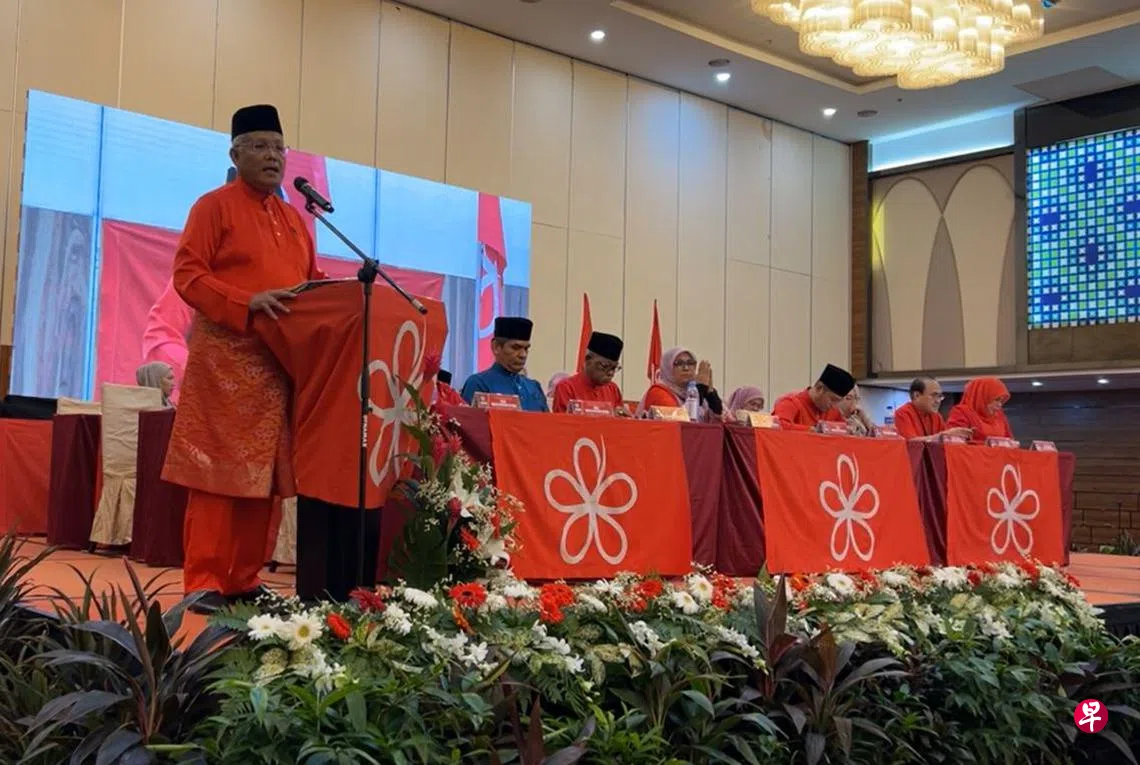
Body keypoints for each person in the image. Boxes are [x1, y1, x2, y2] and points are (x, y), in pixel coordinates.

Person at [162, 104, 325, 614]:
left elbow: (313, 286)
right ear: (235, 154)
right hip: (225, 366)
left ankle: (244, 578)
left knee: (265, 479)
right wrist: (244, 302)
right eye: (259, 146)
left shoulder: (294, 220)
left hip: (278, 368)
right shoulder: (213, 207)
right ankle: (204, 582)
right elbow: (187, 274)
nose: (272, 156)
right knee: (219, 477)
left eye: (279, 148)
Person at [460, 317, 548, 412]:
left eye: (526, 349)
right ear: (496, 347)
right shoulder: (479, 384)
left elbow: (548, 420)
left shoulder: (534, 387)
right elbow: (469, 420)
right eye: (515, 348)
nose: (523, 355)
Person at [636, 346, 723, 421]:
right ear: (668, 368)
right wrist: (700, 388)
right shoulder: (658, 392)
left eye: (690, 363)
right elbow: (680, 420)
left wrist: (711, 394)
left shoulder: (695, 390)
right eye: (679, 363)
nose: (686, 368)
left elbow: (719, 421)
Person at [552, 332, 625, 413]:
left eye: (614, 368)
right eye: (604, 366)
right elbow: (562, 420)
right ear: (588, 359)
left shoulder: (613, 389)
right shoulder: (567, 388)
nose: (611, 373)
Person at [772, 364, 854, 430]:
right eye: (833, 399)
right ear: (819, 388)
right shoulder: (790, 403)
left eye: (838, 401)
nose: (834, 405)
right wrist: (813, 430)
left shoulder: (834, 412)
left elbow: (843, 431)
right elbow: (779, 425)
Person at [893, 377, 973, 440]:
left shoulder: (937, 416)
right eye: (934, 395)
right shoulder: (903, 413)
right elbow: (911, 442)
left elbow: (944, 441)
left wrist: (956, 436)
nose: (938, 401)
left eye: (939, 396)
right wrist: (944, 435)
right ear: (917, 395)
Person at [947, 376, 1013, 443]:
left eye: (1001, 401)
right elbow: (955, 442)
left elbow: (1010, 441)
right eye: (996, 400)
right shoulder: (961, 412)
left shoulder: (999, 415)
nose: (999, 405)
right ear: (982, 396)